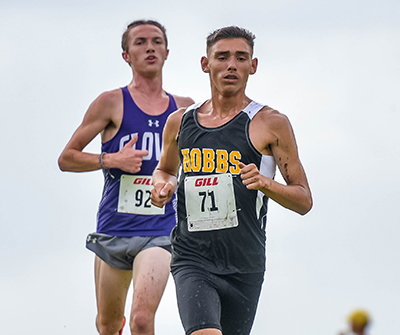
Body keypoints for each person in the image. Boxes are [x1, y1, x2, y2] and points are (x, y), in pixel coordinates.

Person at [150, 26, 313, 335]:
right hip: (192, 257)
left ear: (253, 65)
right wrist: (163, 185)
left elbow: (304, 199)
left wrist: (266, 183)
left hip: (245, 263)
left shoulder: (271, 123)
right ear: (205, 63)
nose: (231, 65)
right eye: (222, 57)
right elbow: (165, 170)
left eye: (241, 58)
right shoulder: (180, 121)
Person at [58, 19, 194, 335]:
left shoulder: (185, 109)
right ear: (126, 55)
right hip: (115, 227)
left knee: (142, 319)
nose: (150, 47)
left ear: (167, 51)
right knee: (107, 325)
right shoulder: (111, 102)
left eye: (157, 41)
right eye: (140, 42)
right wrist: (112, 159)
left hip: (160, 228)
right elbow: (67, 158)